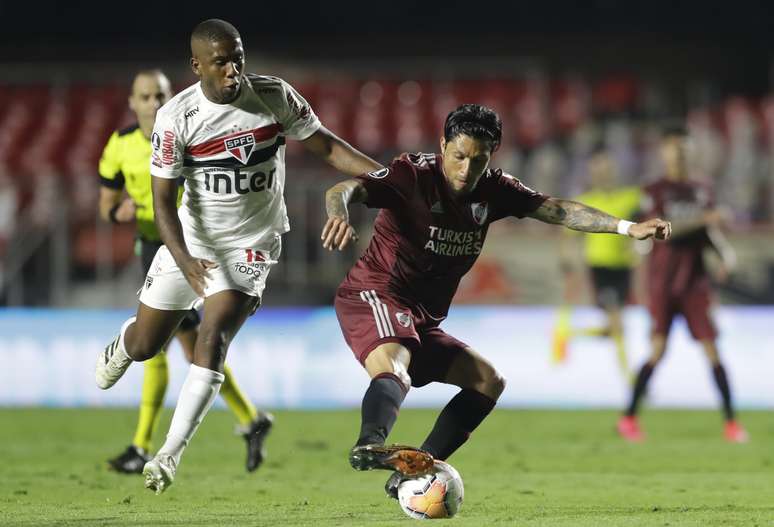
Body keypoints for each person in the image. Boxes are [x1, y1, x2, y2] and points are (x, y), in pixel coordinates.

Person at [320, 104, 671, 498]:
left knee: (488, 382)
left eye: (478, 160)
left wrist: (626, 228)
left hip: (421, 318)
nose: (466, 170)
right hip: (376, 293)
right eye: (458, 157)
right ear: (442, 145)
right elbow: (345, 188)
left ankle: (412, 470)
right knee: (396, 363)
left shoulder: (496, 189)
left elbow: (557, 209)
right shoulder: (412, 174)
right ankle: (370, 444)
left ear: (492, 154)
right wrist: (339, 214)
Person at [95, 19, 381, 494]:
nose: (233, 70)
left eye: (238, 58)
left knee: (213, 336)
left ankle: (167, 455)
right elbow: (162, 201)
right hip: (193, 242)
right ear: (197, 66)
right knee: (148, 346)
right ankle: (124, 344)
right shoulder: (177, 117)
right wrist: (184, 258)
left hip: (253, 242)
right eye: (222, 62)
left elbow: (327, 145)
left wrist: (390, 177)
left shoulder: (274, 96)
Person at [97, 69, 273, 475]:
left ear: (169, 95)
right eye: (144, 97)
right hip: (153, 248)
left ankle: (143, 445)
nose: (153, 103)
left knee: (179, 345)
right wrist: (117, 211)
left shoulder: (186, 127)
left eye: (159, 95)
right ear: (132, 102)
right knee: (185, 346)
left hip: (193, 244)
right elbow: (105, 205)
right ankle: (249, 419)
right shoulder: (119, 146)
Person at [617, 125, 748, 443]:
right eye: (674, 149)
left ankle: (731, 423)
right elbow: (663, 229)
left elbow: (708, 232)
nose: (679, 154)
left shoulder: (702, 187)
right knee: (658, 350)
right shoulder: (654, 189)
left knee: (713, 351)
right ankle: (629, 418)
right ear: (664, 152)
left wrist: (724, 254)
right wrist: (706, 220)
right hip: (662, 281)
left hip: (695, 282)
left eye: (684, 149)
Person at [552, 145, 642, 383]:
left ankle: (567, 334)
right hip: (600, 269)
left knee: (614, 328)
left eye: (606, 167)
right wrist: (567, 261)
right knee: (617, 325)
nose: (602, 172)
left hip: (624, 269)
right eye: (597, 168)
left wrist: (640, 247)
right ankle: (631, 381)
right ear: (591, 172)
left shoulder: (630, 197)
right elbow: (568, 236)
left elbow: (644, 226)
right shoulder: (586, 202)